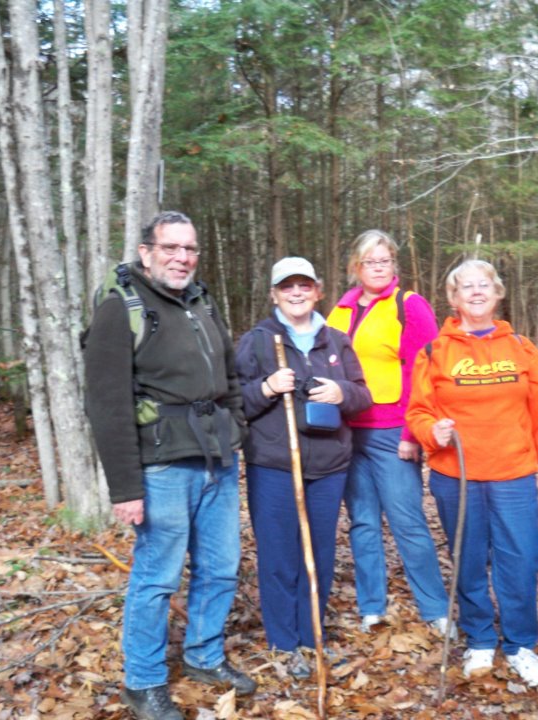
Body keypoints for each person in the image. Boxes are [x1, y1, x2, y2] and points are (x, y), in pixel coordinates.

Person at [83, 211, 255, 720]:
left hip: (217, 459)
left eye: (190, 249)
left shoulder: (201, 303)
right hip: (161, 465)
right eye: (171, 248)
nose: (182, 257)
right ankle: (143, 680)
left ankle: (203, 657)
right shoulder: (121, 309)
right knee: (158, 578)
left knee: (221, 568)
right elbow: (106, 404)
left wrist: (237, 427)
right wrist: (124, 488)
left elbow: (228, 374)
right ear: (146, 252)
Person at [405, 259, 538, 687]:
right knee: (468, 560)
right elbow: (418, 411)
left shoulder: (522, 350)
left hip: (513, 474)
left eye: (484, 286)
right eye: (465, 288)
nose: (476, 293)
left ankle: (520, 645)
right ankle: (478, 639)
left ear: (497, 294)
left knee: (521, 559)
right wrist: (431, 432)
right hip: (455, 476)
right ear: (453, 299)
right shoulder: (435, 351)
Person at [236, 257, 372, 678]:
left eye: (304, 285)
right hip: (275, 465)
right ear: (275, 293)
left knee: (320, 553)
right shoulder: (258, 342)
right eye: (287, 286)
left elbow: (364, 396)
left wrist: (341, 392)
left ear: (318, 290)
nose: (296, 293)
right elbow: (235, 400)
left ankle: (312, 636)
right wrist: (267, 387)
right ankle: (283, 642)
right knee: (279, 554)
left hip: (329, 466)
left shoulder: (335, 341)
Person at [327, 230, 452, 635]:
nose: (378, 267)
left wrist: (413, 435)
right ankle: (371, 607)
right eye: (370, 261)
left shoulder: (409, 306)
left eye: (385, 260)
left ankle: (435, 609)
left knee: (407, 521)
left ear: (394, 264)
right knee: (362, 522)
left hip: (392, 432)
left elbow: (425, 371)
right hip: (348, 432)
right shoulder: (339, 312)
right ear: (356, 268)